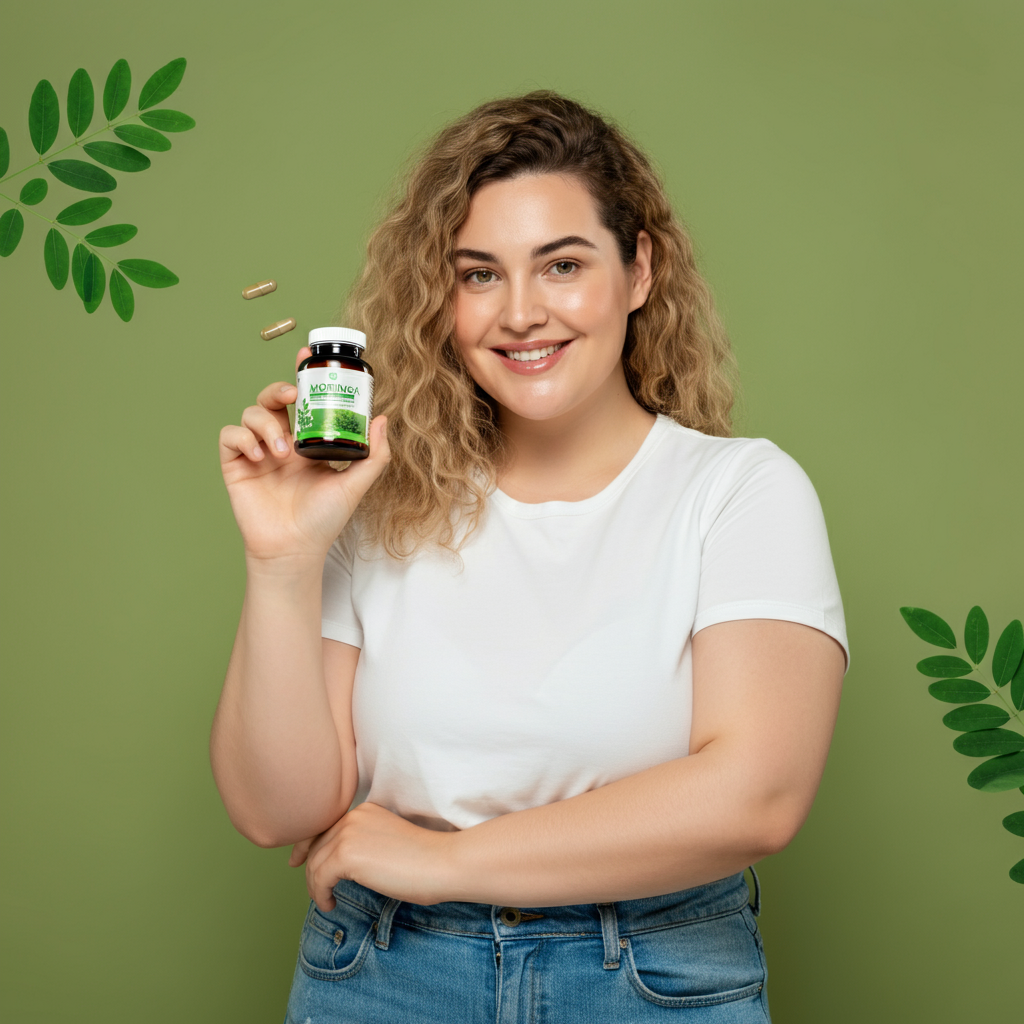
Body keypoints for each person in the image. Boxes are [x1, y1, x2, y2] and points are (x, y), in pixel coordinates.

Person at [212, 92, 847, 1024]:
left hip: (649, 980)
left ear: (641, 270)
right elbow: (279, 812)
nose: (519, 313)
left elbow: (756, 796)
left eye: (561, 265)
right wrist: (283, 561)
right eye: (478, 275)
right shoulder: (379, 504)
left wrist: (447, 861)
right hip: (385, 979)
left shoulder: (739, 492)